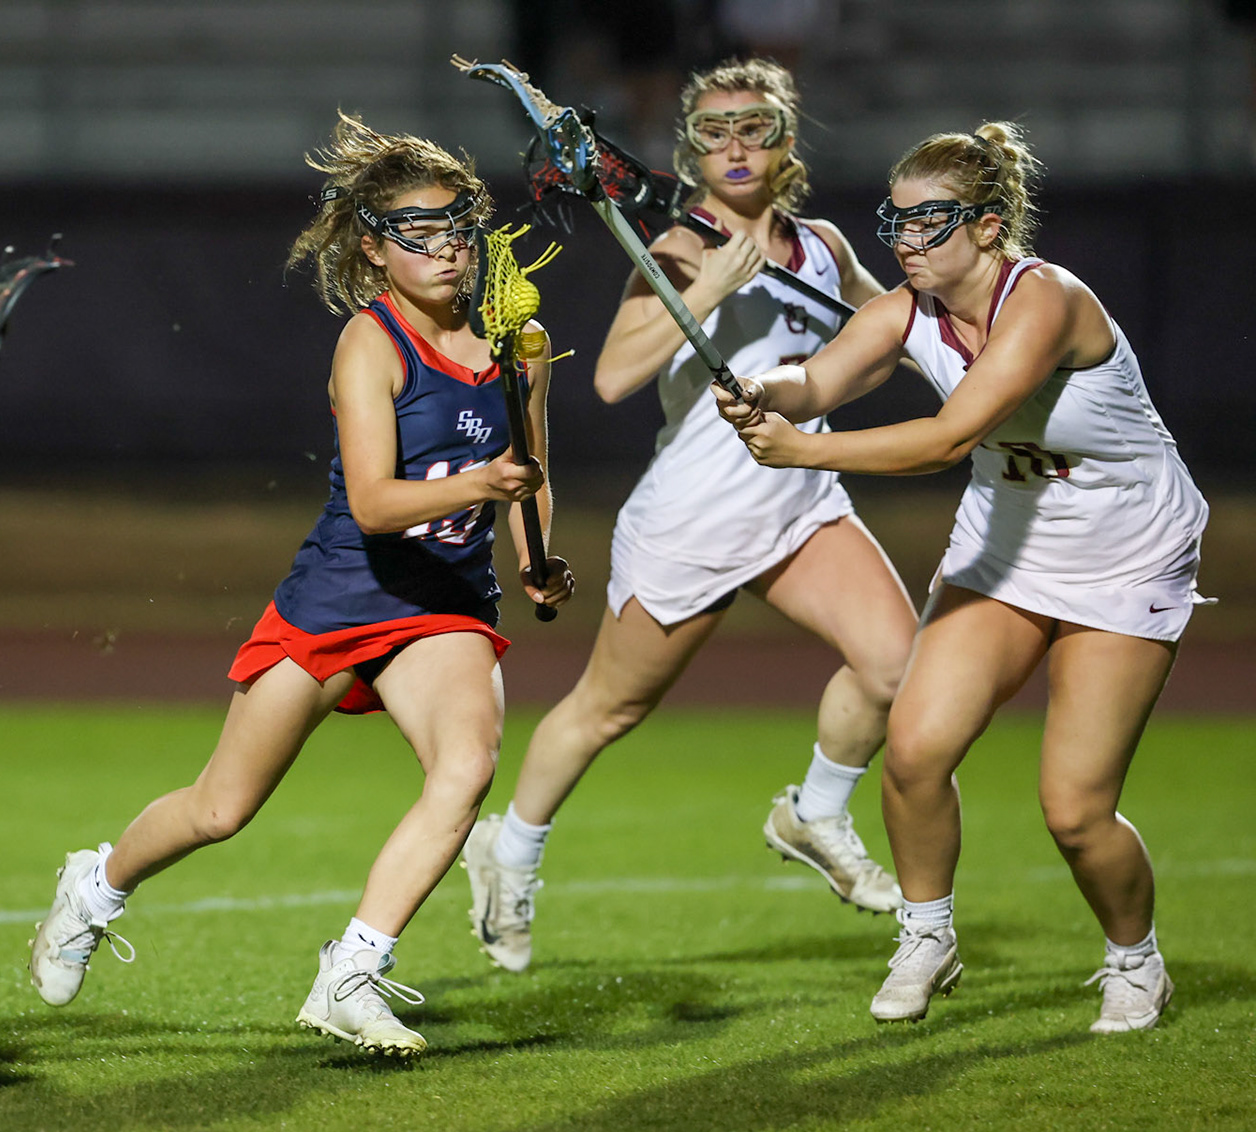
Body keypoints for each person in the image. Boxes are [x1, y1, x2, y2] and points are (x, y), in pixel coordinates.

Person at [26, 113, 573, 1060]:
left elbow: (536, 472)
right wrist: (487, 487)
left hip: (444, 602)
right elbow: (371, 501)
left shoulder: (517, 340)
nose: (445, 249)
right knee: (220, 809)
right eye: (417, 233)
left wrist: (533, 557)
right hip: (343, 593)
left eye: (456, 228)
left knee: (466, 768)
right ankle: (96, 885)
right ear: (373, 246)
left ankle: (352, 970)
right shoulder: (371, 344)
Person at [719, 121, 1209, 1030]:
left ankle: (1135, 960)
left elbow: (950, 437)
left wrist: (799, 454)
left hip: (1127, 552)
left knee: (1074, 809)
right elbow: (817, 382)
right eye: (894, 223)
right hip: (1006, 549)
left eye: (928, 222)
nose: (904, 240)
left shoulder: (1047, 301)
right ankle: (927, 934)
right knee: (912, 753)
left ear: (988, 227)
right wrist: (765, 393)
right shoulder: (907, 309)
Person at [462, 58, 916, 974]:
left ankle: (814, 812)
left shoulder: (822, 244)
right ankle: (505, 854)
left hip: (798, 501)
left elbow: (899, 327)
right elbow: (612, 375)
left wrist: (990, 353)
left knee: (899, 665)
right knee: (605, 710)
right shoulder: (675, 247)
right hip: (694, 520)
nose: (735, 146)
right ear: (691, 149)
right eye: (713, 131)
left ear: (786, 138)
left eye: (754, 126)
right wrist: (709, 287)